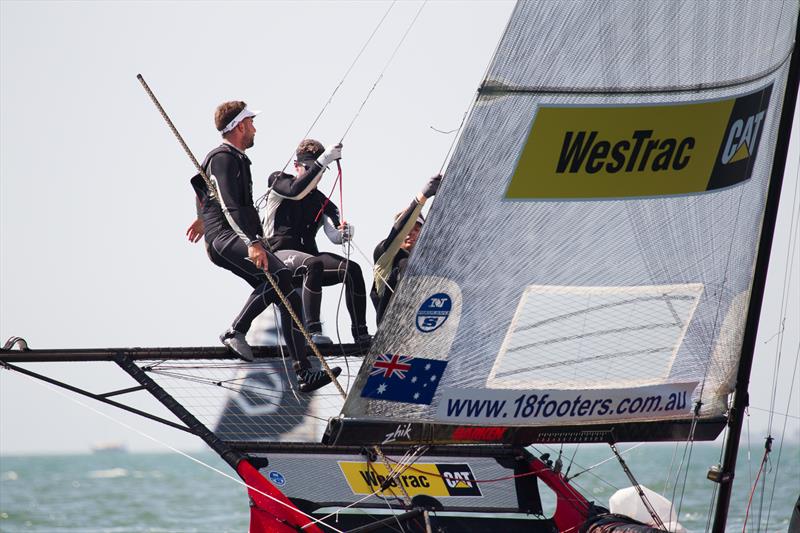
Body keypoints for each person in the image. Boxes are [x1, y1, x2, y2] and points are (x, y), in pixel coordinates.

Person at [187, 101, 340, 393]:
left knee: (288, 296)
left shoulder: (237, 158)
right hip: (227, 238)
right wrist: (254, 242)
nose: (255, 128)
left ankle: (304, 373)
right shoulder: (223, 157)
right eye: (252, 123)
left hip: (230, 235)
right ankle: (236, 330)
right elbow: (231, 205)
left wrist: (200, 218)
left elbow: (201, 186)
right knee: (281, 275)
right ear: (240, 126)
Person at [262, 139, 370, 345]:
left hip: (310, 262)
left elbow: (335, 236)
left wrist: (346, 232)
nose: (316, 174)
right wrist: (324, 160)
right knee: (313, 264)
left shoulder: (322, 201)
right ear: (296, 166)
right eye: (310, 169)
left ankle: (361, 334)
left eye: (320, 170)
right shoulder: (279, 181)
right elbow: (296, 191)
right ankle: (312, 332)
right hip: (277, 257)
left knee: (352, 270)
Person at [371, 174, 441, 324]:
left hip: (426, 333)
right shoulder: (383, 256)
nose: (410, 234)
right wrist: (423, 196)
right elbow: (398, 232)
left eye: (416, 229)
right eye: (408, 229)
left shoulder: (428, 259)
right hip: (392, 333)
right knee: (404, 263)